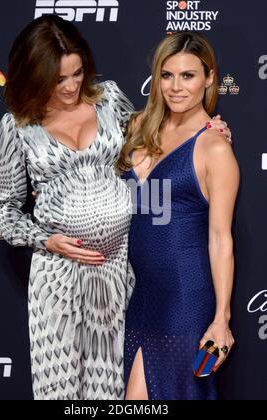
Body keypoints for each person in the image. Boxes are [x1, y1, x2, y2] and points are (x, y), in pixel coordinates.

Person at [0, 15, 231, 400]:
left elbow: (156, 131)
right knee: (60, 392)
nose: (70, 87)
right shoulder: (15, 127)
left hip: (117, 271)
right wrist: (46, 239)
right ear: (35, 75)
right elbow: (2, 210)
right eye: (57, 79)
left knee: (111, 392)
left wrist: (207, 130)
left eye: (77, 73)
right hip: (58, 276)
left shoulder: (109, 99)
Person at [118, 31, 239, 400]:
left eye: (188, 76)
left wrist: (222, 319)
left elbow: (220, 239)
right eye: (166, 75)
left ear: (209, 78)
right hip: (140, 299)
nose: (175, 87)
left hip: (184, 302)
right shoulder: (140, 127)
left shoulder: (214, 146)